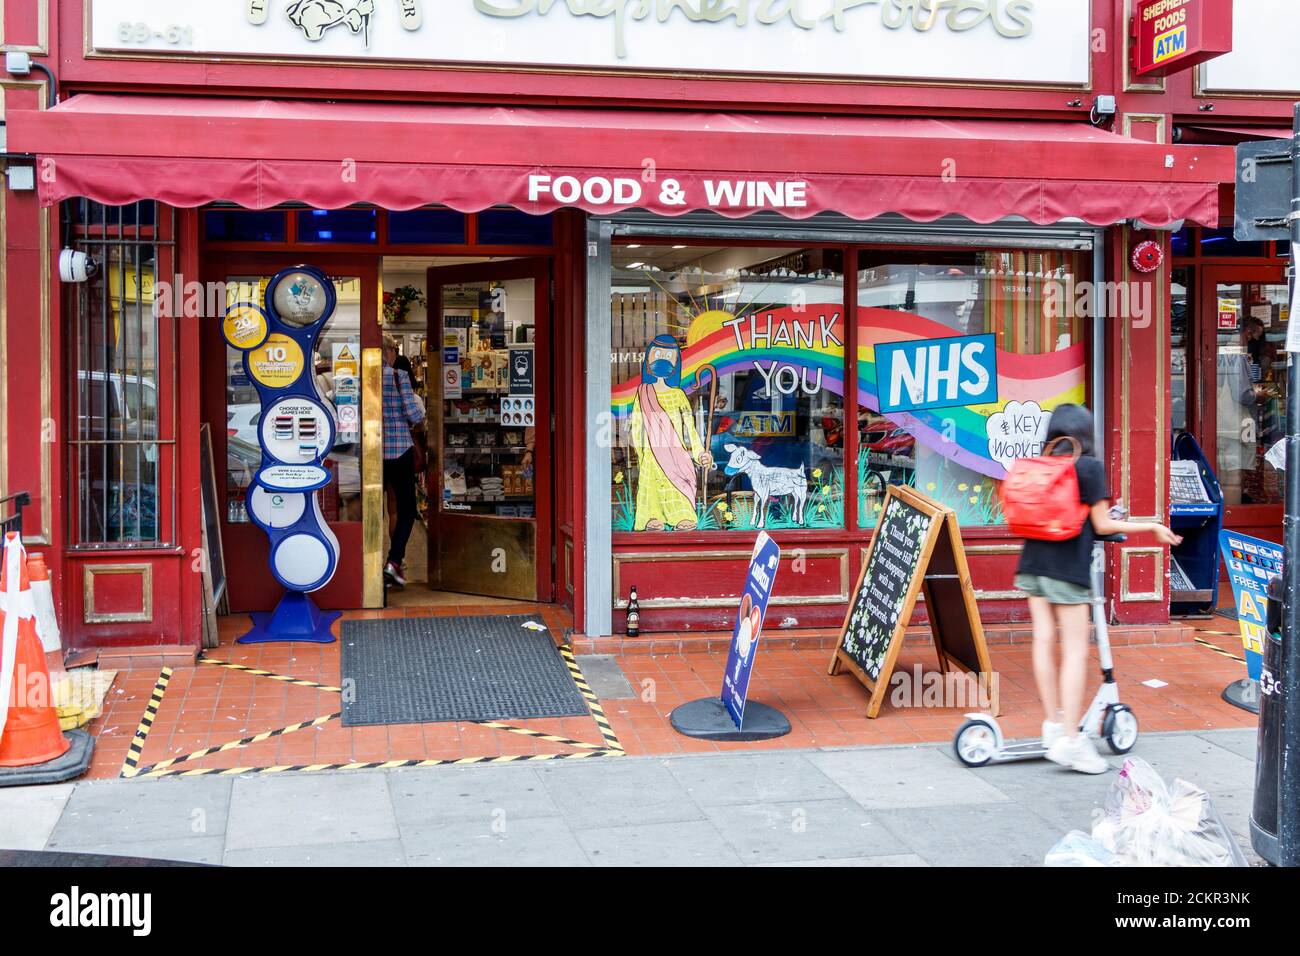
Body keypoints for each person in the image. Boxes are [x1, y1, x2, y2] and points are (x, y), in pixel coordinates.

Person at [1015, 404, 1182, 774]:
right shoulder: (1088, 466)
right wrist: (1153, 526)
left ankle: (1053, 725)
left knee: (1042, 641)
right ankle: (1073, 741)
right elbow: (1104, 525)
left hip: (1031, 565)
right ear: (1087, 434)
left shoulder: (1042, 463)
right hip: (1067, 568)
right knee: (1075, 649)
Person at [627, 334, 713, 531]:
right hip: (651, 457)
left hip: (677, 456)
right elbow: (636, 428)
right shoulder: (643, 393)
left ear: (675, 362)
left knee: (678, 487)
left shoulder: (678, 395)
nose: (662, 359)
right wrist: (641, 456)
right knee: (652, 488)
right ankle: (652, 515)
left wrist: (700, 455)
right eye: (658, 354)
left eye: (668, 356)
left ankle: (682, 516)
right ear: (649, 359)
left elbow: (690, 430)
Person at [381, 335, 426, 588]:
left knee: (372, 510)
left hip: (372, 454)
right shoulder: (398, 376)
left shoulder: (364, 376)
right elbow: (413, 413)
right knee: (407, 510)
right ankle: (394, 561)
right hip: (399, 451)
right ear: (388, 352)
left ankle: (364, 563)